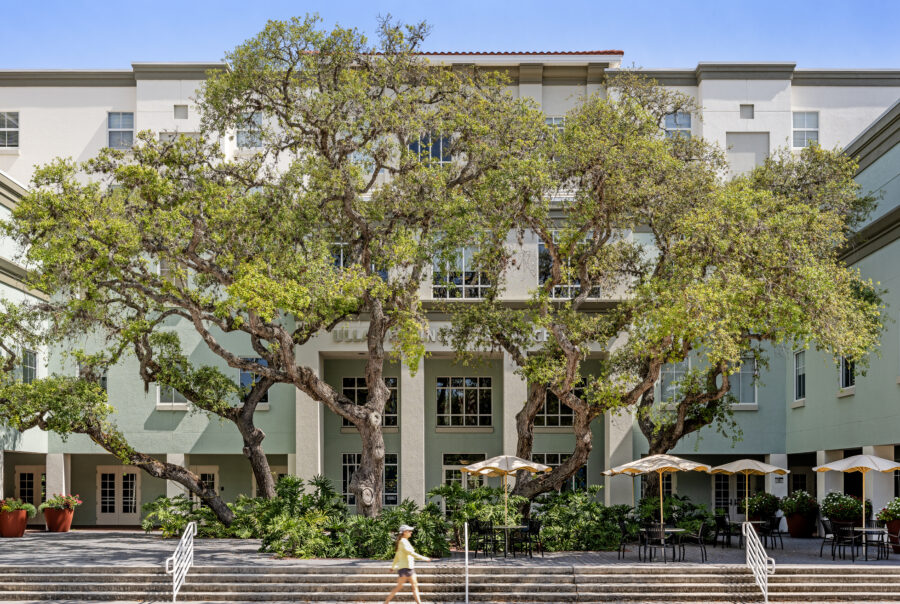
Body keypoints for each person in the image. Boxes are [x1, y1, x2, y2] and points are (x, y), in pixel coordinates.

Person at [384, 524, 431, 604]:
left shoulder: (402, 541)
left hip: (405, 568)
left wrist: (393, 567)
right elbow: (410, 553)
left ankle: (386, 602)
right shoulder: (403, 542)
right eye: (409, 531)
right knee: (412, 587)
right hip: (407, 569)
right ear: (405, 532)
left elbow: (397, 556)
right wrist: (424, 558)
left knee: (405, 587)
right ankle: (386, 602)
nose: (411, 532)